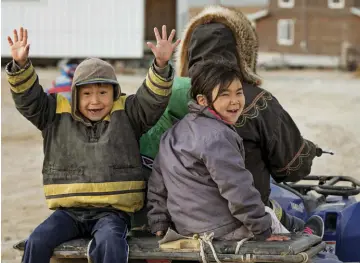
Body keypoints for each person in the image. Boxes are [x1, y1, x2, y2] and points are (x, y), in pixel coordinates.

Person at [6, 25, 180, 263]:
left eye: (102, 93)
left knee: (111, 244)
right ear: (75, 94)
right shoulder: (55, 114)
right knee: (37, 240)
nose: (95, 101)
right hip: (68, 212)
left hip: (112, 212)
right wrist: (21, 66)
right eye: (86, 94)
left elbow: (153, 99)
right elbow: (29, 101)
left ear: (115, 93)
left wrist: (160, 65)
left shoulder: (129, 113)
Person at [140, 5, 318, 232]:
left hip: (181, 222)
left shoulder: (169, 95)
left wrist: (158, 223)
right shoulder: (255, 101)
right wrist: (307, 151)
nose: (232, 100)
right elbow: (293, 168)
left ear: (188, 50)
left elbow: (158, 175)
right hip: (239, 222)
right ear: (242, 50)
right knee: (300, 228)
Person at [147, 60, 324, 241]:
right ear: (203, 100)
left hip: (186, 228)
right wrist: (263, 231)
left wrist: (159, 222)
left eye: (239, 93)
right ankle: (307, 237)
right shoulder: (217, 136)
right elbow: (237, 188)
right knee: (276, 225)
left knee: (266, 213)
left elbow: (157, 184)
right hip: (223, 229)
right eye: (225, 95)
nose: (235, 101)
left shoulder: (172, 134)